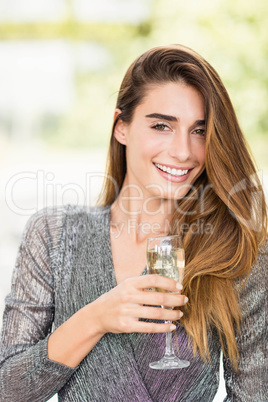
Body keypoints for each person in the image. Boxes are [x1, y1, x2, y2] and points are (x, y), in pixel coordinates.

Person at [0, 44, 267, 402]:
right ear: (121, 127)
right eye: (161, 125)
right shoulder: (52, 234)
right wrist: (94, 319)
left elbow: (254, 395)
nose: (183, 151)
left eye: (199, 130)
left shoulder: (234, 248)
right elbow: (8, 388)